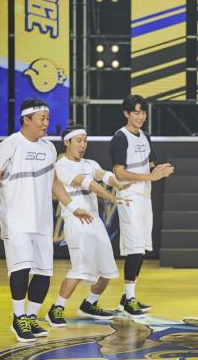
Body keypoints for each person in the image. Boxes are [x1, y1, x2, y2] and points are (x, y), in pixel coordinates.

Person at [0, 99, 93, 342]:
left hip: (42, 221)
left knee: (43, 273)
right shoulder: (10, 145)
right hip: (16, 219)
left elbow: (54, 182)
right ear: (26, 119)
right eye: (41, 119)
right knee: (21, 269)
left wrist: (73, 207)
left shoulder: (49, 148)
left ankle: (30, 316)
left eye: (47, 119)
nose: (46, 123)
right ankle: (18, 318)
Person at [45, 125, 132, 327]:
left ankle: (89, 304)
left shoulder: (89, 163)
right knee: (80, 268)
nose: (83, 145)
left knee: (108, 269)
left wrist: (118, 183)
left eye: (85, 140)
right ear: (67, 142)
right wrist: (111, 196)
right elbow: (88, 183)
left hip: (94, 221)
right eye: (78, 141)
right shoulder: (61, 165)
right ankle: (56, 309)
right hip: (76, 221)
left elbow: (102, 174)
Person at [109, 94, 174, 318]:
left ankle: (127, 297)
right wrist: (150, 177)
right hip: (129, 197)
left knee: (142, 248)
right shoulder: (120, 137)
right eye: (136, 112)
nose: (141, 116)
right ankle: (129, 300)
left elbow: (152, 164)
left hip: (144, 197)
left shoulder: (145, 136)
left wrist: (161, 169)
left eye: (143, 112)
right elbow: (119, 172)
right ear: (126, 113)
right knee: (134, 248)